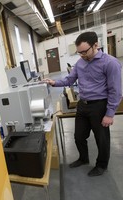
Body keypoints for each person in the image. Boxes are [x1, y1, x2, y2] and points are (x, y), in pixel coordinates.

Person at [44, 31, 122, 177]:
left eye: (84, 52)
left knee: (102, 139)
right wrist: (54, 82)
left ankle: (101, 165)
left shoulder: (110, 63)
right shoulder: (80, 63)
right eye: (79, 53)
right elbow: (69, 79)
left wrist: (109, 114)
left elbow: (116, 91)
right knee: (79, 136)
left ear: (96, 45)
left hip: (99, 105)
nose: (82, 55)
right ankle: (83, 158)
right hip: (83, 104)